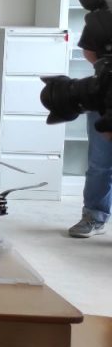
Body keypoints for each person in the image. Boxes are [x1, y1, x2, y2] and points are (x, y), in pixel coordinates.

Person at [67, 39, 112, 237]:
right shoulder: (102, 22)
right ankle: (94, 216)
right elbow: (89, 49)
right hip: (103, 96)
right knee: (100, 163)